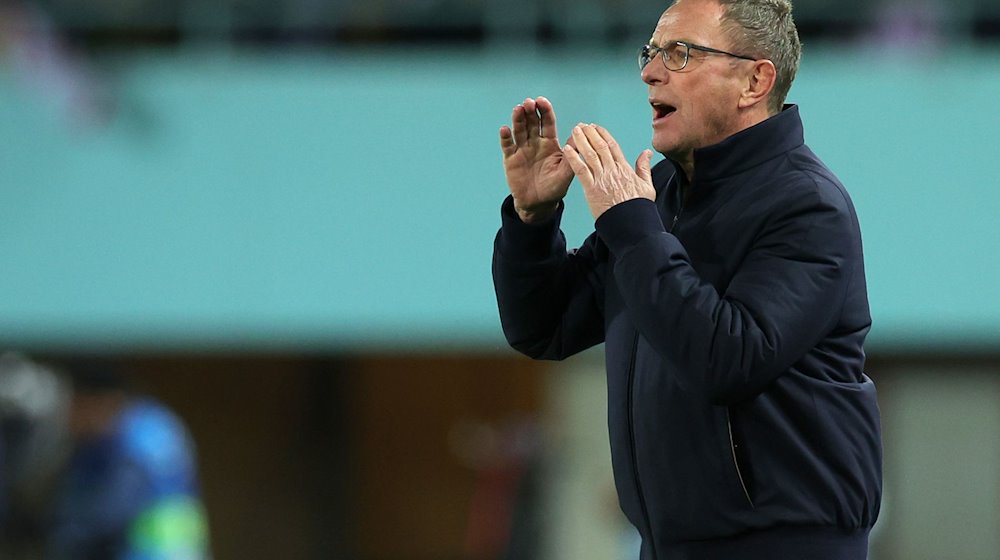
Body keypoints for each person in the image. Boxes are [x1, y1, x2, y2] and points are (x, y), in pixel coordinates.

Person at [491, 0, 882, 558]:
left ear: (754, 79)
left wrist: (630, 225)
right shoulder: (664, 197)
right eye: (650, 53)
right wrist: (532, 222)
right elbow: (545, 326)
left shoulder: (807, 206)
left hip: (783, 545)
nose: (650, 71)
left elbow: (729, 359)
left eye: (679, 53)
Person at [47, 359, 210, 560]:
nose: (69, 417)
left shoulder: (136, 436)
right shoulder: (144, 424)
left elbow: (108, 514)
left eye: (75, 404)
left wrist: (62, 531)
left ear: (99, 401)